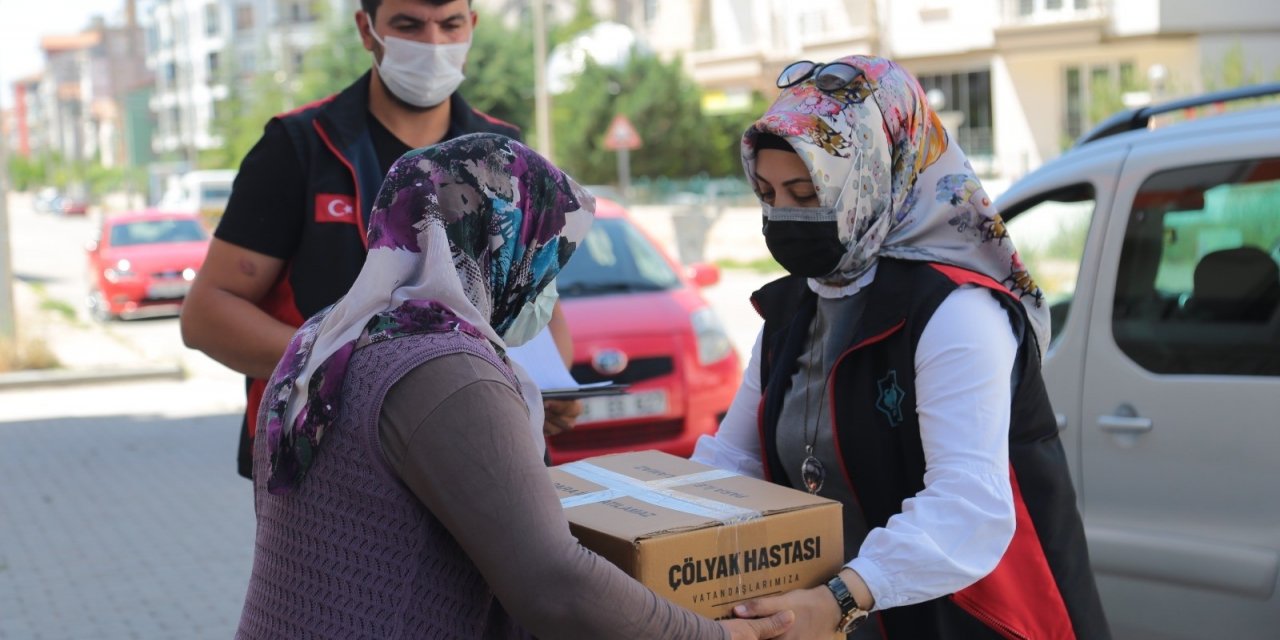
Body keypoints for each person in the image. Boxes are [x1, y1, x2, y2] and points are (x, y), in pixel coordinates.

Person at [234, 133, 793, 640]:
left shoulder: (331, 335)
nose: (548, 295)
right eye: (549, 266)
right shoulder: (443, 367)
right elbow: (554, 586)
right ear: (504, 241)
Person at [691, 55, 1111, 639]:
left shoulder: (955, 310)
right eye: (768, 192)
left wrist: (838, 598)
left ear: (872, 175)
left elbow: (966, 504)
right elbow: (732, 463)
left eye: (807, 194)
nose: (783, 215)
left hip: (966, 620)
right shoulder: (791, 311)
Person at [180, 0, 580, 478]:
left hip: (477, 450)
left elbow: (538, 302)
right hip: (329, 457)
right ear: (366, 31)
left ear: (471, 26)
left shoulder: (502, 151)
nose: (433, 43)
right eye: (409, 25)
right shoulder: (301, 147)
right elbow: (207, 315)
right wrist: (347, 372)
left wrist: (548, 385)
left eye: (449, 24)